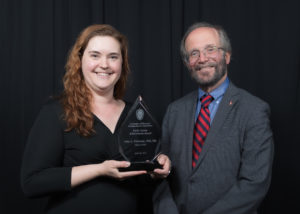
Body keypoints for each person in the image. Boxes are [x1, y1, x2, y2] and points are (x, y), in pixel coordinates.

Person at [21, 24, 170, 214]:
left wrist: (157, 168)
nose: (105, 64)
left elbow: (139, 179)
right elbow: (32, 183)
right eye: (95, 55)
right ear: (80, 60)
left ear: (122, 64)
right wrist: (99, 170)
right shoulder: (57, 112)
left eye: (113, 57)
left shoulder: (136, 113)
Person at [153, 22, 274, 214]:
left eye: (210, 49)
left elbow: (254, 183)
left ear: (226, 55)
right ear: (187, 63)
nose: (202, 58)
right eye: (194, 53)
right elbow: (159, 173)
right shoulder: (174, 111)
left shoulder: (253, 110)